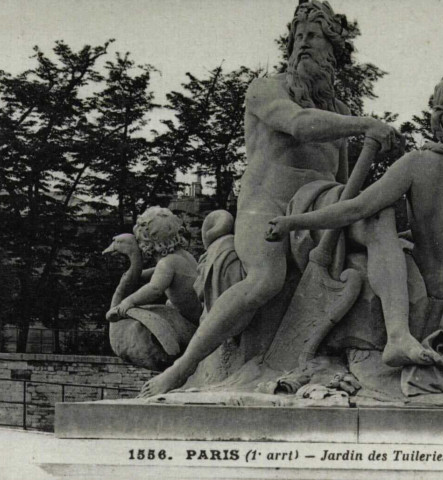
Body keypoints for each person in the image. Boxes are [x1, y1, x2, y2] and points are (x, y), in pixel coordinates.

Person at [140, 1, 424, 398]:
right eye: (298, 38)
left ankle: (398, 337)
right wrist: (365, 124)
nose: (303, 45)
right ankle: (182, 368)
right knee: (264, 280)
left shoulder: (337, 112)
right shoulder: (267, 89)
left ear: (333, 53)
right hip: (266, 207)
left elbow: (344, 182)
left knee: (378, 217)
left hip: (317, 207)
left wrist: (381, 235)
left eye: (315, 38)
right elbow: (298, 125)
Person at [268, 67, 443, 395]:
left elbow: (355, 208)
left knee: (380, 236)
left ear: (435, 112)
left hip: (436, 283)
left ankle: (394, 339)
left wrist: (293, 222)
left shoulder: (417, 162)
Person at [106, 206, 201, 323]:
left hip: (192, 318)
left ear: (148, 241)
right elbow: (164, 273)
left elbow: (154, 289)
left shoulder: (166, 263)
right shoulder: (183, 255)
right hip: (198, 309)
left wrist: (129, 301)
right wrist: (139, 274)